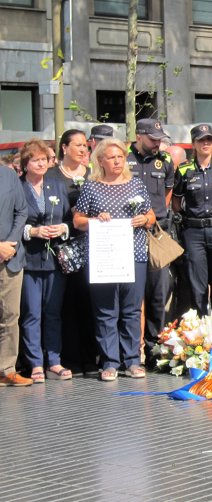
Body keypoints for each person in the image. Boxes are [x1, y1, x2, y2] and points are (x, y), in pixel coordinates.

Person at [73, 138, 156, 381]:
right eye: (112, 157)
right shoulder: (91, 187)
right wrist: (95, 221)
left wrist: (145, 220)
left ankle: (131, 360)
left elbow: (151, 215)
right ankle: (109, 362)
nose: (118, 161)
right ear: (100, 161)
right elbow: (77, 220)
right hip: (104, 256)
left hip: (134, 253)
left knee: (131, 309)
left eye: (120, 156)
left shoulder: (136, 184)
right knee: (106, 311)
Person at [172, 124, 212, 327]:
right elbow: (176, 202)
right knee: (197, 287)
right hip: (194, 233)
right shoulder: (184, 170)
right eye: (201, 140)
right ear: (194, 144)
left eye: (209, 140)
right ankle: (199, 336)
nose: (206, 143)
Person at [18, 139, 72, 382]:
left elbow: (71, 219)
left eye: (44, 160)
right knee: (31, 312)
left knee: (53, 312)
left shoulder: (57, 186)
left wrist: (62, 228)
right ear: (25, 164)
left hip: (54, 259)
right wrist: (32, 231)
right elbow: (11, 222)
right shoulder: (17, 187)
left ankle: (54, 360)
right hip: (28, 259)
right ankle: (34, 363)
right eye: (35, 160)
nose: (41, 164)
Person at [47, 129, 98, 376]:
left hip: (92, 247)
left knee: (89, 302)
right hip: (61, 249)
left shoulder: (93, 176)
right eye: (77, 145)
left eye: (85, 146)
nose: (82, 149)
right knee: (65, 304)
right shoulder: (51, 175)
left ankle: (91, 359)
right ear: (64, 148)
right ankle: (69, 358)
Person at [126, 119, 175, 368]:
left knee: (158, 293)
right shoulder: (124, 159)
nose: (157, 143)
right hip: (128, 233)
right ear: (139, 136)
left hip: (156, 231)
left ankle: (155, 350)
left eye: (160, 139)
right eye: (153, 139)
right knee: (131, 296)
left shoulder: (165, 162)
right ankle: (130, 352)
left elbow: (166, 196)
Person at [0, 162, 30, 386]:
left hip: (10, 256)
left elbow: (22, 211)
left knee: (10, 316)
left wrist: (9, 243)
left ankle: (6, 370)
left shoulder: (9, 175)